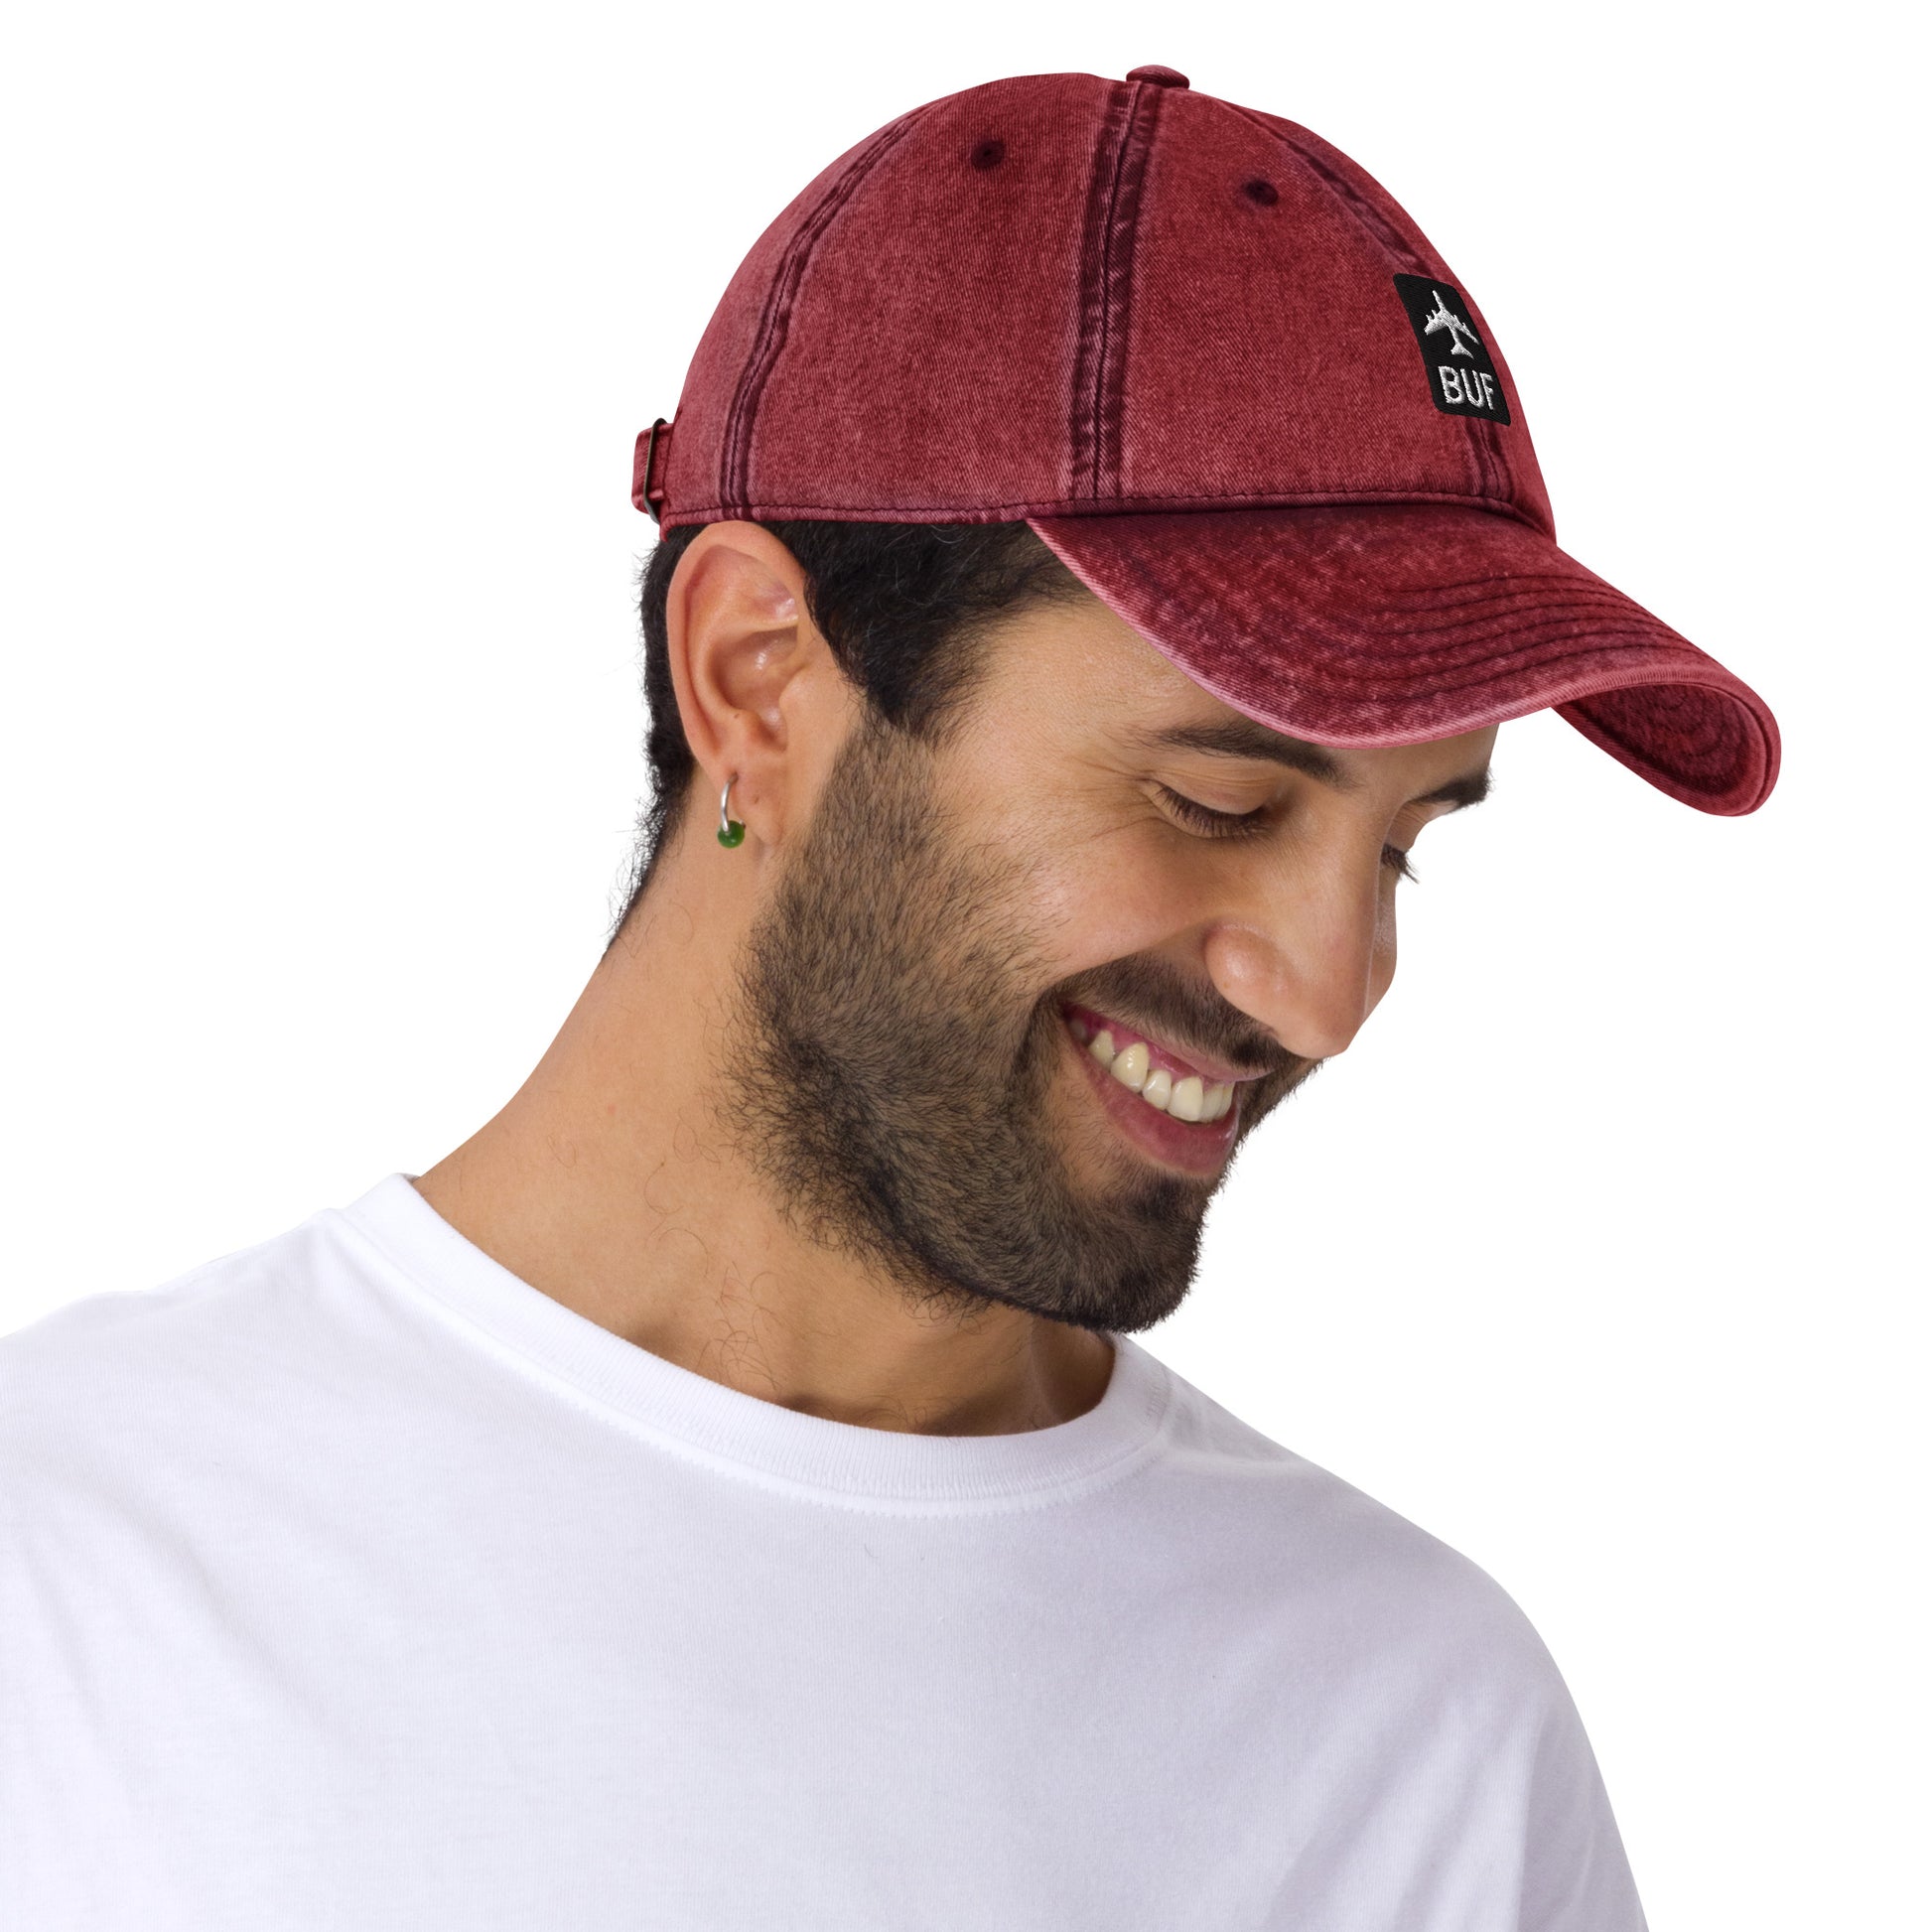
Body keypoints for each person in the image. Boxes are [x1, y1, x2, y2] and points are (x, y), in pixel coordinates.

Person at [0, 65, 1776, 1931]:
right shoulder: (76, 1579)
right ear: (756, 678)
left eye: (1402, 846)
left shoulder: (1418, 1738)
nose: (1326, 996)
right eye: (1216, 800)